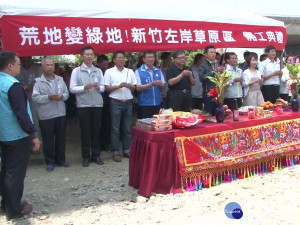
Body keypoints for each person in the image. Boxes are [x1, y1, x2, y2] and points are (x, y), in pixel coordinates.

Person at [0, 51, 40, 220]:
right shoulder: (13, 85)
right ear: (9, 66)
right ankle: (15, 209)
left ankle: (6, 204)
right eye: (17, 64)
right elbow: (22, 114)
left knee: (6, 170)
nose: (19, 68)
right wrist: (33, 134)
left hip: (4, 135)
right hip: (16, 135)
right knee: (15, 174)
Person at [32, 57, 69, 172]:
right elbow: (35, 97)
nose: (50, 67)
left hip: (60, 113)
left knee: (60, 138)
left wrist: (62, 96)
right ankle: (49, 161)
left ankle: (61, 159)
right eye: (47, 65)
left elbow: (67, 93)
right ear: (43, 67)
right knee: (48, 139)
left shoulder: (60, 79)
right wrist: (48, 97)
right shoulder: (38, 81)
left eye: (51, 65)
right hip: (46, 115)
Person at [70, 46, 105, 167]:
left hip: (97, 104)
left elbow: (103, 87)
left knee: (96, 130)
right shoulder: (76, 71)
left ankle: (96, 155)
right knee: (85, 131)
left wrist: (98, 87)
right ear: (81, 56)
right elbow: (72, 88)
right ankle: (85, 156)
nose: (89, 56)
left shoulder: (98, 71)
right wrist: (84, 87)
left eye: (91, 54)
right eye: (87, 54)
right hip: (83, 105)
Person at [104, 50, 137, 162]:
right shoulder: (109, 72)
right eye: (119, 58)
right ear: (114, 60)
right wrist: (119, 86)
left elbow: (134, 88)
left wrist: (129, 86)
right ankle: (115, 151)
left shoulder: (130, 71)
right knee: (115, 128)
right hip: (115, 102)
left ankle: (127, 150)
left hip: (128, 102)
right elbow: (107, 88)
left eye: (123, 57)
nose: (122, 59)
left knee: (127, 128)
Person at [17, 56, 42, 139]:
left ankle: (36, 140)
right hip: (20, 97)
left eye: (27, 59)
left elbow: (39, 81)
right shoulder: (17, 68)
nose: (25, 61)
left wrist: (29, 87)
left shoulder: (38, 68)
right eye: (23, 60)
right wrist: (24, 87)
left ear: (31, 58)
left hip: (34, 98)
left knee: (34, 119)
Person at [135, 50, 165, 119]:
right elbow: (138, 88)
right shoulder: (138, 71)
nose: (151, 59)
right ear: (144, 59)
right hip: (144, 104)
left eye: (152, 57)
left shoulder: (158, 70)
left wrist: (160, 84)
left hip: (157, 103)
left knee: (157, 125)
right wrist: (151, 84)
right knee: (145, 125)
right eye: (148, 57)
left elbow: (163, 86)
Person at [199, 45, 225, 115]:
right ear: (205, 54)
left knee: (219, 113)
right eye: (211, 52)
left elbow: (222, 78)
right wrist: (213, 72)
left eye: (214, 52)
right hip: (209, 94)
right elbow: (201, 78)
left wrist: (223, 72)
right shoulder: (203, 65)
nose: (213, 54)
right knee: (209, 114)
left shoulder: (217, 64)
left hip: (218, 93)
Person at [96, 54, 111, 151]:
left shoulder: (109, 73)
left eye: (107, 64)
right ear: (98, 64)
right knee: (97, 124)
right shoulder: (95, 73)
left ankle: (105, 143)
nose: (106, 66)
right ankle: (97, 143)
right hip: (97, 101)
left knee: (107, 123)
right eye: (104, 64)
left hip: (107, 101)